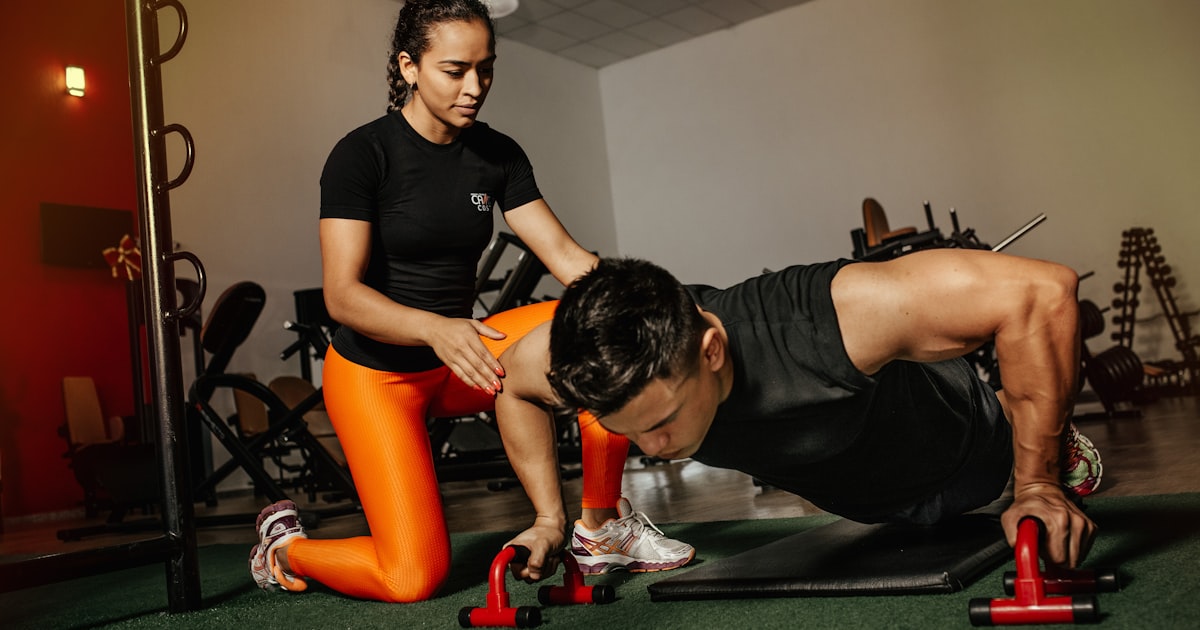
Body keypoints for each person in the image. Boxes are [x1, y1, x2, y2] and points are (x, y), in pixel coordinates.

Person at [248, 0, 692, 602]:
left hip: (465, 358)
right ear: (408, 66)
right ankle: (284, 547)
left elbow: (565, 256)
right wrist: (435, 328)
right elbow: (343, 297)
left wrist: (659, 303)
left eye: (486, 69)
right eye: (455, 70)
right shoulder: (362, 154)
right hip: (377, 377)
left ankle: (599, 526)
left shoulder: (496, 153)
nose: (475, 87)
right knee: (412, 578)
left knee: (601, 327)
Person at [489, 249, 1104, 582]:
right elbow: (510, 385)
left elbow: (1042, 291)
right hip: (867, 503)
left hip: (970, 451)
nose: (653, 447)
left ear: (711, 351)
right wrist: (548, 519)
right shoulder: (589, 358)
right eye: (628, 430)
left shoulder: (826, 318)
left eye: (663, 421)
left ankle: (1046, 440)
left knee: (1005, 441)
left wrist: (1038, 486)